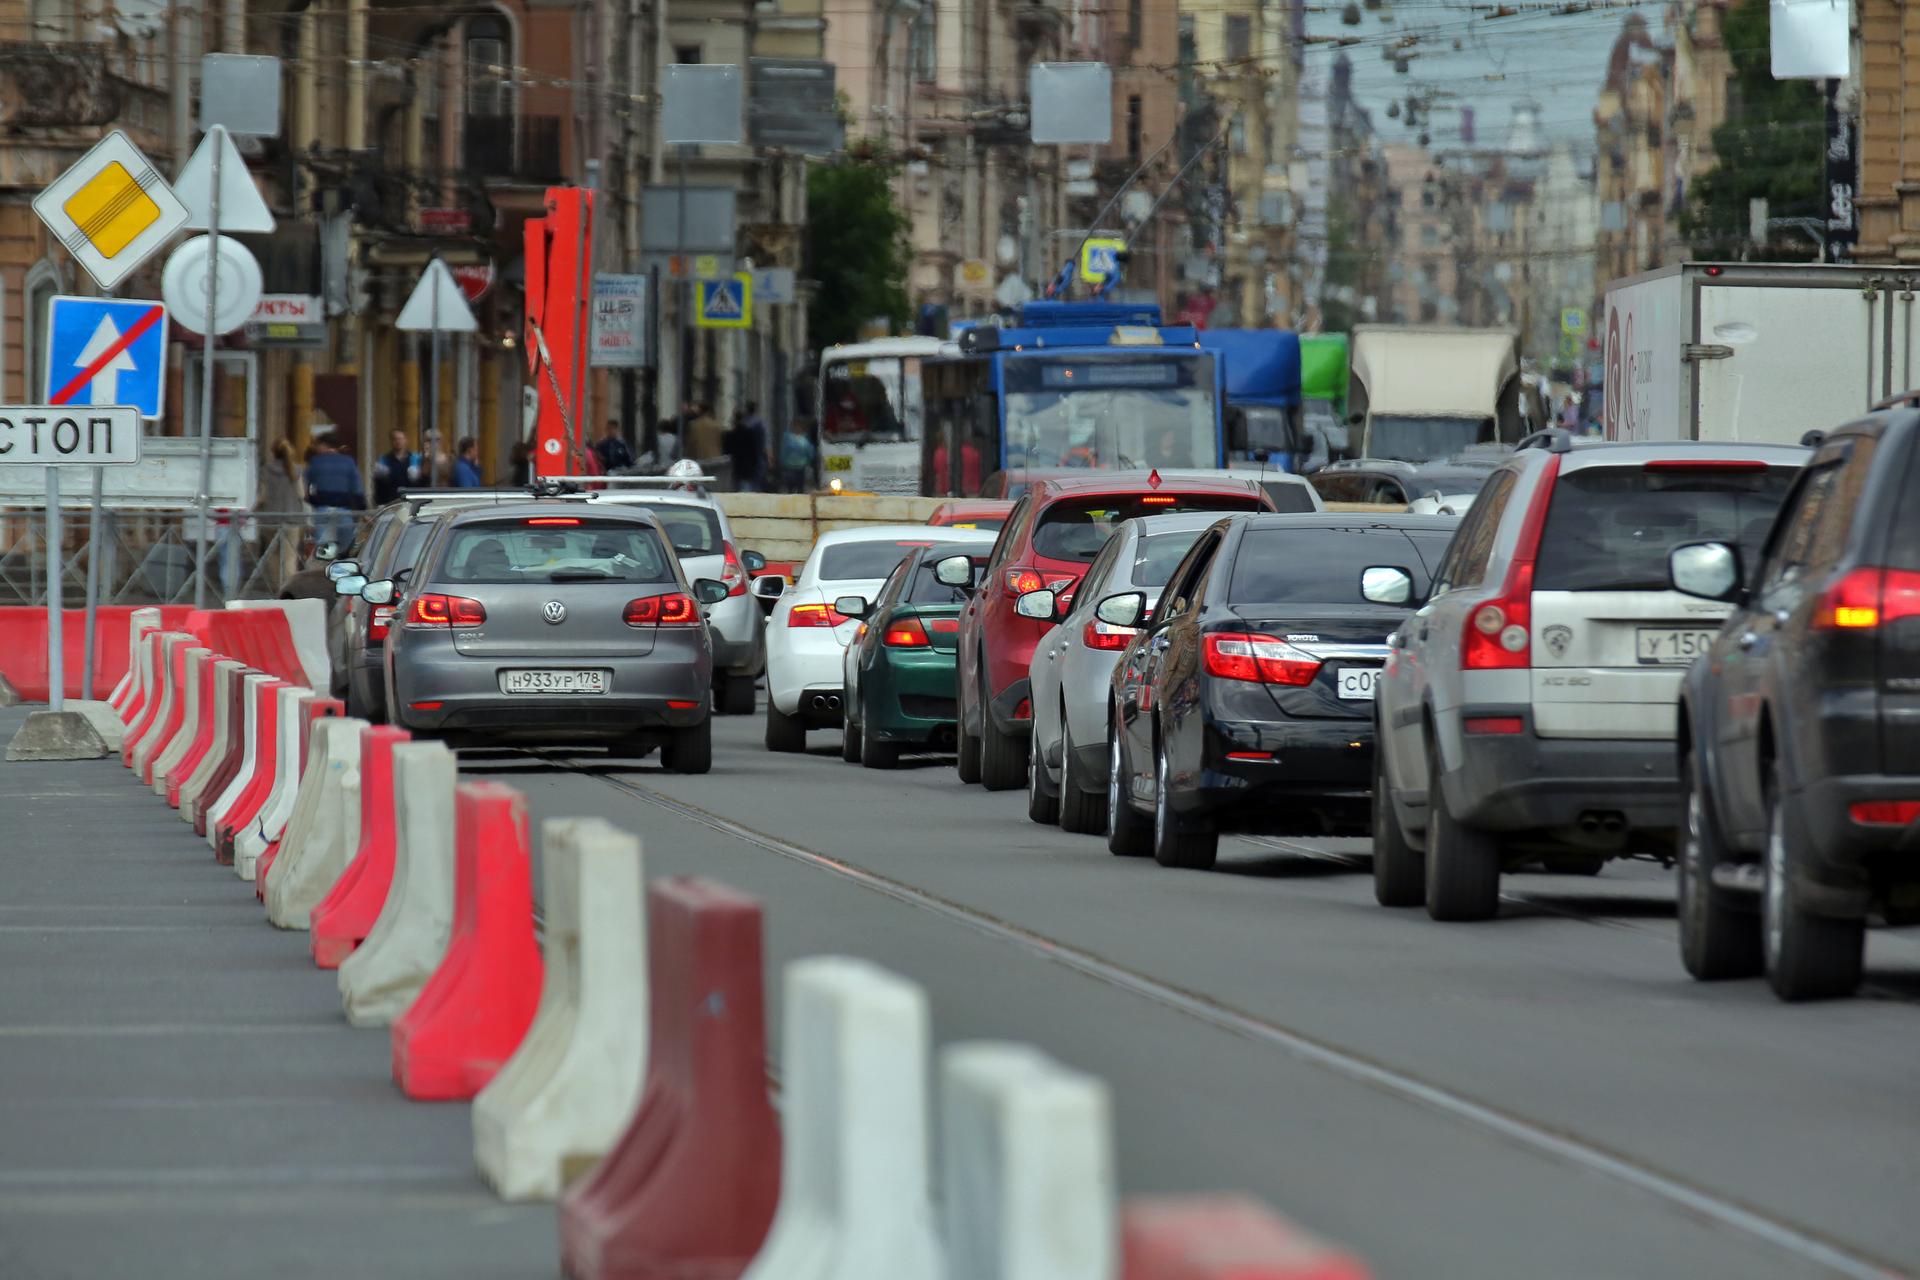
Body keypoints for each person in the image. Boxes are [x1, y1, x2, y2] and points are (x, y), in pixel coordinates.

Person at [304, 434, 364, 550]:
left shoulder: (316, 462)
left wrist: (312, 499)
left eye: (318, 445)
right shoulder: (348, 462)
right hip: (344, 509)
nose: (316, 448)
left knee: (321, 548)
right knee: (346, 546)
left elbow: (304, 483)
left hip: (322, 508)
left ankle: (323, 566)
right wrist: (361, 509)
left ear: (324, 445)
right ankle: (343, 564)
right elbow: (357, 488)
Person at [373, 429, 421, 505]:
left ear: (406, 440)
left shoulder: (415, 459)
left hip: (411, 502)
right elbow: (379, 485)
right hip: (390, 502)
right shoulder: (384, 460)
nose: (398, 442)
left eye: (401, 439)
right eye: (395, 439)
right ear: (391, 441)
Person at [728, 402, 768, 491]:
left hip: (738, 462)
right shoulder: (757, 424)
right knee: (752, 482)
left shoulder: (733, 433)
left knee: (740, 484)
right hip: (751, 460)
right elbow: (759, 442)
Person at [777, 419, 816, 493]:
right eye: (796, 426)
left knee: (799, 487)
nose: (797, 428)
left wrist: (810, 461)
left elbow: (810, 451)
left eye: (799, 426)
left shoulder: (804, 439)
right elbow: (784, 451)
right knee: (791, 487)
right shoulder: (788, 438)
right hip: (790, 467)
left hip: (800, 467)